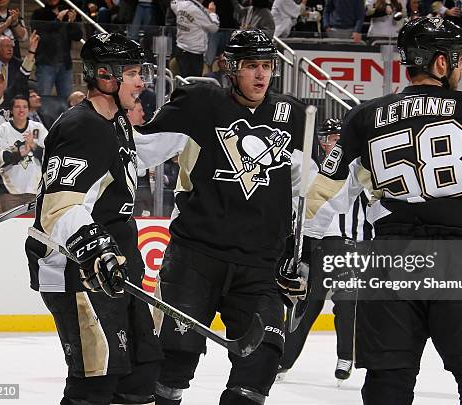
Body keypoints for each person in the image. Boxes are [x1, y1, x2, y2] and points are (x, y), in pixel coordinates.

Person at [303, 16, 462, 405]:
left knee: (387, 380)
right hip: (457, 261)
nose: (461, 66)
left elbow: (323, 194)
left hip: (388, 261)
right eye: (457, 58)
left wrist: (300, 254)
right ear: (440, 63)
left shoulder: (364, 117)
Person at [135, 28, 318, 405]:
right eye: (252, 66)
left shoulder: (293, 116)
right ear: (231, 68)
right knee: (176, 356)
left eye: (267, 66)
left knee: (264, 357)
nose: (262, 75)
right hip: (196, 257)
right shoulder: (199, 103)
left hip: (260, 263)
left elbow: (307, 191)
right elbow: (139, 151)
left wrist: (301, 252)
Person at [24, 33, 163, 405]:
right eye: (132, 73)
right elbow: (59, 208)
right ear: (105, 75)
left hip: (116, 265)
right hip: (78, 270)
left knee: (140, 379)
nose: (141, 81)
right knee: (96, 381)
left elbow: (123, 168)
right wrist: (96, 246)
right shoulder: (79, 127)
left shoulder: (117, 123)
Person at [276, 118, 372, 385]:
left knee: (346, 301)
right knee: (306, 301)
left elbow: (374, 204)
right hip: (314, 244)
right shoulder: (312, 169)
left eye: (336, 137)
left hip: (348, 245)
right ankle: (283, 358)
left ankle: (345, 357)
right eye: (327, 138)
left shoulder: (358, 167)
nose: (331, 143)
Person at [0, 95, 48, 211]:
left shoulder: (38, 128)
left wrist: (33, 146)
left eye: (24, 107)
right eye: (17, 107)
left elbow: (50, 155)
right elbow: (0, 157)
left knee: (33, 228)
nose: (21, 110)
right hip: (10, 192)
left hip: (35, 191)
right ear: (11, 110)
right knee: (11, 227)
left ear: (29, 110)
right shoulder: (2, 130)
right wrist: (20, 154)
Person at [30, 0, 83, 100]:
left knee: (67, 100)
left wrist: (72, 22)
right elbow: (41, 35)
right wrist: (58, 20)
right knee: (42, 99)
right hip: (46, 63)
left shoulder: (66, 13)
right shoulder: (38, 14)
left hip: (65, 65)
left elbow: (77, 36)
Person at [171, 0, 220, 77]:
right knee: (192, 84)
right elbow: (214, 27)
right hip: (193, 54)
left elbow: (173, 3)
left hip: (181, 49)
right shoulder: (198, 10)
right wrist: (212, 13)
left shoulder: (180, 4)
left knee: (184, 81)